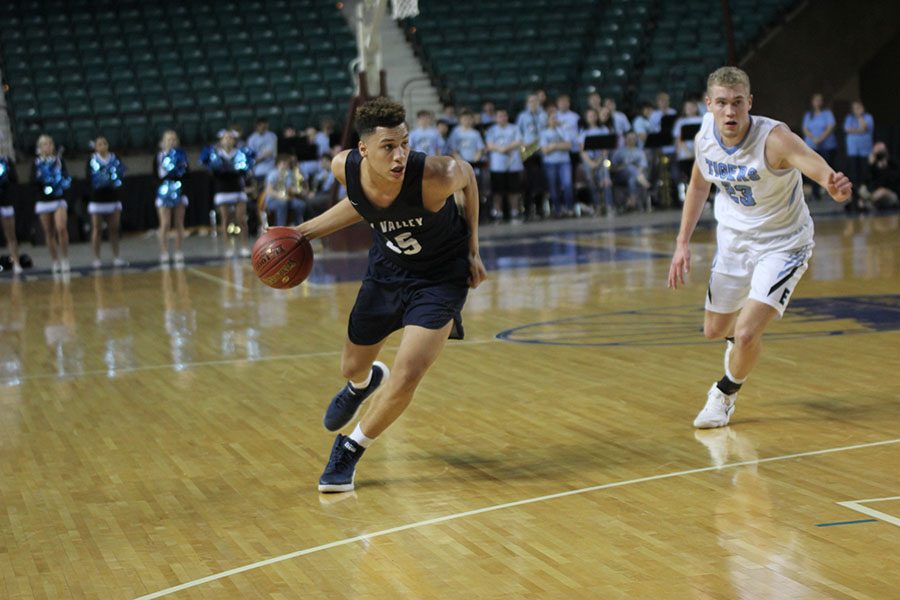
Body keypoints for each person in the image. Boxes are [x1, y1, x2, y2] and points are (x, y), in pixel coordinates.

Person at [293, 97, 486, 492]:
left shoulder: (436, 175)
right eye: (388, 147)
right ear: (363, 150)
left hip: (440, 277)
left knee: (409, 372)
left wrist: (474, 250)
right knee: (351, 366)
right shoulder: (343, 168)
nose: (399, 155)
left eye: (404, 143)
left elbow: (468, 177)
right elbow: (361, 204)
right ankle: (361, 385)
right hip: (387, 272)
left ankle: (350, 448)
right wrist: (302, 233)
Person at [667, 66, 851, 429]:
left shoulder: (774, 138)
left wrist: (831, 183)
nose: (730, 112)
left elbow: (811, 163)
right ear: (709, 105)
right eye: (722, 103)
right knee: (714, 331)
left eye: (738, 103)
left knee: (748, 332)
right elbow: (699, 184)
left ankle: (724, 395)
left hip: (784, 243)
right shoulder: (705, 135)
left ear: (750, 102)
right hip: (734, 241)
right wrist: (682, 242)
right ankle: (739, 349)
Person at [200, 129, 255, 257]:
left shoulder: (240, 153)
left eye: (230, 138)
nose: (228, 140)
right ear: (221, 141)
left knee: (241, 218)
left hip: (237, 188)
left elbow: (245, 170)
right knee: (225, 219)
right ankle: (227, 247)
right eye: (225, 138)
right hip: (222, 189)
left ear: (234, 140)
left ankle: (244, 246)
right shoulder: (216, 154)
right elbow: (211, 171)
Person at [86, 136, 128, 268]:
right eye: (99, 144)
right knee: (97, 229)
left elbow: (121, 174)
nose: (102, 146)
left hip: (112, 197)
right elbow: (89, 179)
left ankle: (116, 257)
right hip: (97, 198)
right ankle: (96, 258)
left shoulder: (115, 158)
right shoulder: (91, 160)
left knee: (114, 229)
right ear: (95, 147)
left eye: (104, 143)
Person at [32, 134, 71, 273]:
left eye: (50, 143)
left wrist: (58, 181)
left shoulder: (59, 161)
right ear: (40, 148)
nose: (48, 146)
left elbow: (66, 177)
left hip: (58, 199)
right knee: (49, 232)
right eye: (44, 144)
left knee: (61, 228)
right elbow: (33, 181)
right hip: (43, 200)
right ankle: (55, 260)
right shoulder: (37, 163)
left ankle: (65, 258)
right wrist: (44, 181)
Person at [154, 130, 189, 266]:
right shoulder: (159, 156)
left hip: (179, 190)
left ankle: (178, 251)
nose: (171, 142)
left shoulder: (182, 155)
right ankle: (164, 251)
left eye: (174, 139)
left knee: (179, 223)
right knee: (165, 223)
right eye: (168, 139)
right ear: (163, 142)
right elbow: (155, 175)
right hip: (164, 191)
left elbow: (187, 173)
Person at [484, 108, 524, 221]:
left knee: (514, 190)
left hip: (513, 165)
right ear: (496, 118)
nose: (503, 118)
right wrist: (501, 149)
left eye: (504, 115)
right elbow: (489, 145)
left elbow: (519, 141)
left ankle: (514, 211)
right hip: (497, 166)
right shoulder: (491, 130)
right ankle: (498, 212)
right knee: (497, 191)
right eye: (500, 116)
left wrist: (504, 148)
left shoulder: (514, 128)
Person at [515, 93, 548, 220]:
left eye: (535, 101)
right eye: (531, 101)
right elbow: (519, 133)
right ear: (527, 103)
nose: (533, 103)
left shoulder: (544, 115)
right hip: (528, 153)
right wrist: (524, 145)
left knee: (540, 182)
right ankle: (528, 209)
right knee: (528, 182)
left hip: (541, 152)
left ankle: (540, 209)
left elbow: (546, 130)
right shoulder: (522, 116)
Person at [540, 107, 575, 217]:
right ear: (548, 120)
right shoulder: (544, 133)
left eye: (556, 118)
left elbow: (568, 146)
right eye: (552, 118)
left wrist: (553, 145)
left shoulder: (564, 130)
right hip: (550, 163)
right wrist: (559, 145)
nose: (554, 120)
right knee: (553, 187)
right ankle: (558, 209)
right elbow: (545, 150)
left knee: (567, 184)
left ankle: (569, 208)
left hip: (564, 162)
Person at [801, 93, 837, 200]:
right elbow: (805, 129)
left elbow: (831, 126)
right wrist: (814, 139)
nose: (818, 102)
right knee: (814, 170)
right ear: (812, 102)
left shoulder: (827, 113)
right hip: (812, 146)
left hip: (827, 146)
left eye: (820, 100)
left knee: (827, 169)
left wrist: (820, 138)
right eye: (816, 100)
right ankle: (815, 193)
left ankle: (831, 192)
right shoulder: (809, 115)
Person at [579, 107, 613, 215]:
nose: (592, 118)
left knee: (605, 180)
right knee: (591, 182)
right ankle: (597, 206)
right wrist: (591, 163)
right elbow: (582, 150)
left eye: (594, 115)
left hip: (602, 160)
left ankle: (609, 206)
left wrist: (598, 161)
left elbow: (606, 149)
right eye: (590, 116)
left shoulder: (603, 130)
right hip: (589, 161)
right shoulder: (583, 132)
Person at [843, 100, 874, 211]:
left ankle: (864, 201)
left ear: (862, 108)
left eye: (859, 107)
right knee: (853, 176)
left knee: (864, 176)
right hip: (853, 151)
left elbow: (864, 128)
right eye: (855, 108)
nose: (856, 110)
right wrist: (859, 130)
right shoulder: (849, 118)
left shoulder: (868, 117)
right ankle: (854, 201)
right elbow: (848, 129)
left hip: (865, 151)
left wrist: (860, 117)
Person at [264, 154, 307, 226]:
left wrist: (297, 191)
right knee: (282, 204)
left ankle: (299, 228)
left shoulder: (289, 175)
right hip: (272, 200)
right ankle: (281, 228)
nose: (286, 166)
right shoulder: (273, 174)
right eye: (283, 164)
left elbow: (289, 189)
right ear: (278, 164)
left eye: (287, 164)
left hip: (287, 199)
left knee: (300, 204)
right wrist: (280, 196)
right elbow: (269, 191)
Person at [0, 153, 23, 274]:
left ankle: (16, 262)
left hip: (5, 199)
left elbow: (14, 179)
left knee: (10, 234)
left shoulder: (6, 161)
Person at [246, 118, 279, 191]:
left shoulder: (272, 136)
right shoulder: (251, 139)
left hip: (271, 164)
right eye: (261, 126)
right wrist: (258, 159)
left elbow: (271, 153)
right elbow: (251, 157)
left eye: (265, 126)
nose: (263, 128)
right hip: (258, 167)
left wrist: (259, 158)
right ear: (257, 126)